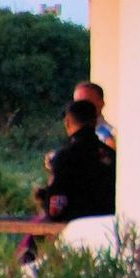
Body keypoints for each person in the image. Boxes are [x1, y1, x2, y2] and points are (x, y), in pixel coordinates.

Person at [35, 98, 116, 233]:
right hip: (109, 226)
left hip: (75, 227)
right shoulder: (110, 155)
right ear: (95, 122)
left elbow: (55, 209)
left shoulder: (65, 156)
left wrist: (43, 197)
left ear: (67, 123)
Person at [73, 80, 116, 148]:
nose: (80, 107)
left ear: (101, 104)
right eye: (77, 103)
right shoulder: (75, 135)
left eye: (86, 102)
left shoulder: (109, 136)